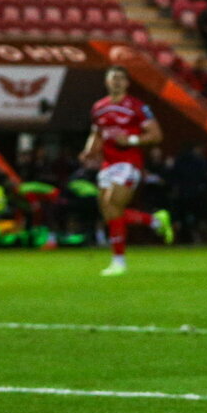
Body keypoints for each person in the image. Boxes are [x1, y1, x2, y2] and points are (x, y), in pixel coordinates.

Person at [79, 66, 174, 276]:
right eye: (113, 78)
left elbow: (156, 135)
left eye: (121, 78)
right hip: (108, 164)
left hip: (129, 163)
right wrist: (88, 151)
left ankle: (119, 262)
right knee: (110, 214)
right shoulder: (99, 107)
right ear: (107, 82)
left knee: (113, 205)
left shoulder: (137, 107)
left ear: (127, 83)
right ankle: (155, 221)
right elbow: (96, 133)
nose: (117, 82)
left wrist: (131, 139)